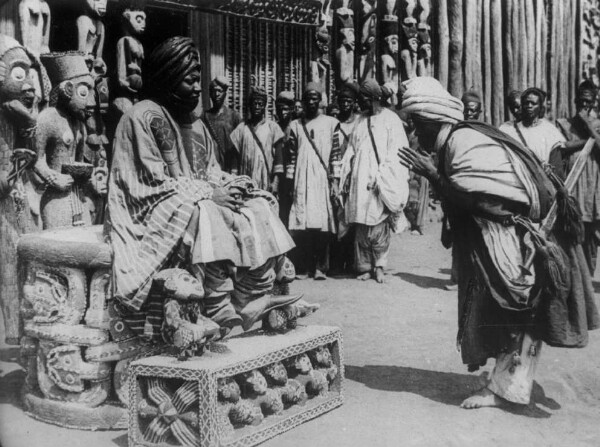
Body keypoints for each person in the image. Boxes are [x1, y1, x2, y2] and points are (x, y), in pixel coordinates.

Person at [398, 77, 599, 409]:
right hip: (500, 234)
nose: (417, 135)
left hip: (512, 237)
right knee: (504, 310)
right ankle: (509, 383)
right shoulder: (457, 140)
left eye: (419, 125)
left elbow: (483, 203)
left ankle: (509, 389)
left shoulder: (463, 143)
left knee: (516, 308)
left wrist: (433, 175)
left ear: (435, 120)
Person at [107, 37, 303, 341]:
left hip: (190, 193)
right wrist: (209, 194)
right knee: (206, 211)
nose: (198, 88)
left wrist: (233, 185)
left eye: (198, 80)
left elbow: (209, 171)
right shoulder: (142, 116)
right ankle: (217, 303)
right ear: (168, 80)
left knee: (260, 204)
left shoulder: (194, 122)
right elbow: (146, 182)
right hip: (148, 205)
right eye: (190, 81)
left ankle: (253, 295)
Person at [339, 79, 409, 283]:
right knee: (361, 223)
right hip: (359, 180)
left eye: (363, 99)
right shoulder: (360, 121)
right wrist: (347, 172)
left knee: (379, 225)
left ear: (374, 99)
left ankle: (379, 266)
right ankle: (365, 267)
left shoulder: (391, 120)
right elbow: (352, 148)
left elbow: (396, 152)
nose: (360, 103)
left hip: (380, 180)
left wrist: (382, 177)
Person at [286, 82, 341, 280]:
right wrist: (291, 183)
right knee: (303, 224)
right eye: (307, 97)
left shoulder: (331, 123)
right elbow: (291, 157)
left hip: (321, 179)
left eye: (314, 98)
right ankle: (303, 267)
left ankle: (321, 267)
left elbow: (335, 155)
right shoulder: (295, 125)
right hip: (301, 179)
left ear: (320, 100)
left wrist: (335, 181)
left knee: (322, 224)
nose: (311, 101)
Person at [551, 80, 600, 274]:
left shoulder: (597, 124)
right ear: (574, 101)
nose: (584, 106)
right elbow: (561, 148)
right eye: (581, 102)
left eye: (588, 102)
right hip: (571, 185)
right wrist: (587, 139)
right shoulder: (563, 124)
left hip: (592, 188)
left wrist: (587, 125)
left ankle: (588, 276)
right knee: (570, 232)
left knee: (591, 236)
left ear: (595, 103)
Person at [230, 86, 285, 194]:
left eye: (260, 104)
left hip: (265, 181)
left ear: (264, 106)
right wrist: (234, 181)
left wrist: (275, 183)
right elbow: (235, 160)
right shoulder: (241, 129)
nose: (257, 106)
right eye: (254, 103)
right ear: (250, 105)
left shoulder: (273, 128)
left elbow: (279, 159)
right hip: (244, 181)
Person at [499, 87, 565, 163]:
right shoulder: (505, 128)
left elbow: (561, 149)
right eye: (512, 108)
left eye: (518, 107)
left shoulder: (548, 128)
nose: (515, 111)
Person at [201, 75, 242, 172]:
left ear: (225, 93)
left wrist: (235, 168)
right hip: (212, 165)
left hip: (231, 166)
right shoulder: (204, 117)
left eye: (220, 91)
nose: (216, 94)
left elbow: (239, 145)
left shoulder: (234, 116)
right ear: (210, 94)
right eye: (214, 91)